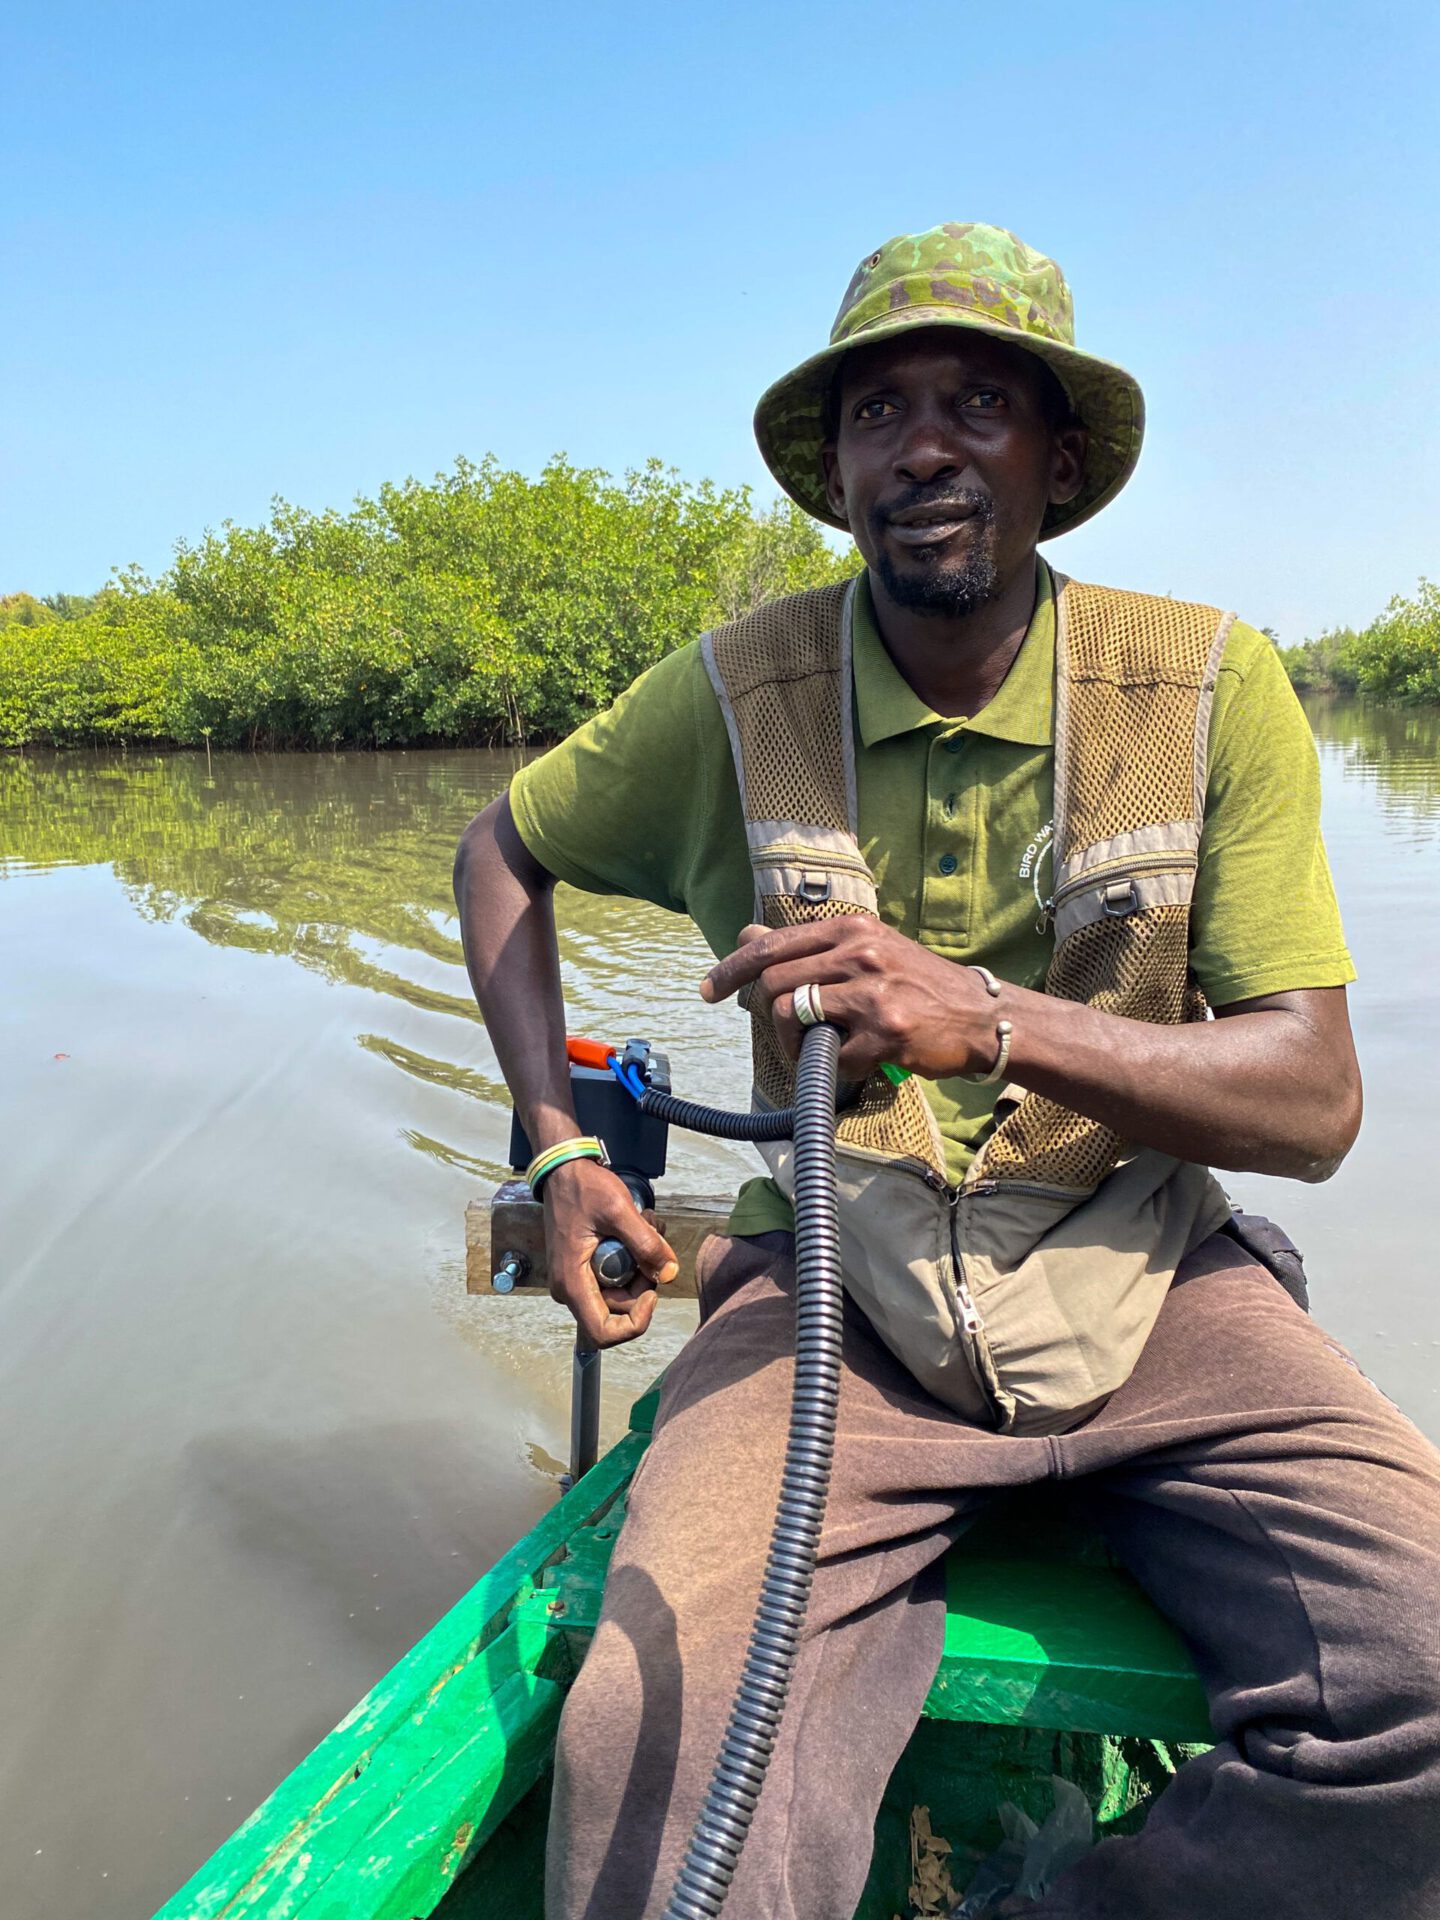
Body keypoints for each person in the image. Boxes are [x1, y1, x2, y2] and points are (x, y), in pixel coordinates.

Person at [453, 223, 1440, 1918]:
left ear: (1058, 462)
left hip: (1148, 1277)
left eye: (979, 401)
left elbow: (1316, 1103)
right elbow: (503, 849)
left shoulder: (1210, 687)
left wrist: (989, 1017)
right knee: (651, 1749)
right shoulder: (733, 689)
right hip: (841, 1294)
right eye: (879, 411)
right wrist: (558, 1153)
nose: (923, 445)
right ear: (836, 475)